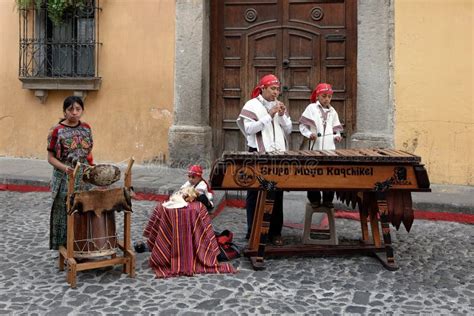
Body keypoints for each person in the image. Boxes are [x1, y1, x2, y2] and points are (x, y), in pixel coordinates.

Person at [236, 74, 292, 246]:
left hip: (277, 155)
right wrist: (269, 115)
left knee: (277, 192)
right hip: (257, 154)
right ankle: (253, 230)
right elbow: (249, 129)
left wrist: (281, 115)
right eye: (272, 89)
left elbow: (288, 129)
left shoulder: (279, 105)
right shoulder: (251, 105)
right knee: (255, 193)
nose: (276, 92)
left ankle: (275, 232)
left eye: (277, 89)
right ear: (263, 88)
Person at [47, 96, 94, 250]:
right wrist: (65, 168)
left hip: (83, 178)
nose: (74, 113)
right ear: (64, 111)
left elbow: (88, 153)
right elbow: (50, 158)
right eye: (70, 109)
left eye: (78, 109)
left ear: (82, 110)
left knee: (83, 210)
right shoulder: (57, 130)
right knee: (65, 212)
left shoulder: (86, 128)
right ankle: (64, 248)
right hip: (63, 177)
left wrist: (91, 168)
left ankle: (81, 244)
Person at [299, 83, 343, 207]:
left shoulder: (332, 111)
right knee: (313, 173)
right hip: (314, 147)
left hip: (329, 149)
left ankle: (328, 199)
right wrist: (309, 134)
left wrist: (337, 136)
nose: (327, 99)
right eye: (324, 96)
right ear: (318, 96)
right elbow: (302, 126)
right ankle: (314, 199)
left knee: (329, 173)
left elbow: (336, 129)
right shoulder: (311, 108)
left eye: (329, 97)